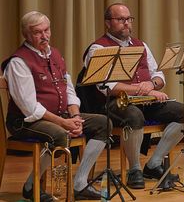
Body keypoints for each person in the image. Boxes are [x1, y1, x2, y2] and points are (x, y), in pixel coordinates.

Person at [83, 3, 184, 189]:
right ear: (107, 23)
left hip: (145, 100)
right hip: (112, 103)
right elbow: (106, 87)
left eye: (129, 19)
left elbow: (159, 76)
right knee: (134, 116)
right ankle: (134, 169)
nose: (126, 23)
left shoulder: (141, 45)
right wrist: (142, 89)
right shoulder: (98, 48)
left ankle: (153, 164)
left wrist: (151, 84)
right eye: (120, 19)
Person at [2, 11, 108, 201]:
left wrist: (74, 116)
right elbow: (30, 108)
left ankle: (80, 183)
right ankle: (30, 186)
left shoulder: (56, 54)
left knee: (103, 123)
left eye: (47, 30)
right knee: (59, 135)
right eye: (37, 32)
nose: (44, 36)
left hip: (58, 116)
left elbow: (68, 91)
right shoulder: (19, 62)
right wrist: (63, 123)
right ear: (26, 35)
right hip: (24, 121)